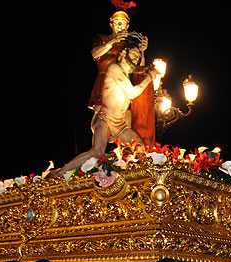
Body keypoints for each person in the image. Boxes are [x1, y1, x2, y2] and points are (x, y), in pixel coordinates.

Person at [51, 40, 157, 177]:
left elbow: (138, 70)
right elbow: (132, 93)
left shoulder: (125, 75)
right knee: (97, 152)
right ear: (123, 54)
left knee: (139, 148)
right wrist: (150, 77)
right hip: (105, 119)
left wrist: (146, 65)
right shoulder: (114, 68)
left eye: (138, 56)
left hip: (120, 125)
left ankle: (121, 174)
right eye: (134, 54)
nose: (136, 58)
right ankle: (60, 173)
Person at [88, 4, 155, 147]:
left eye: (124, 24)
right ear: (111, 24)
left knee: (126, 122)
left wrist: (142, 51)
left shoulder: (130, 45)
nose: (121, 26)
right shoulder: (102, 38)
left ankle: (123, 160)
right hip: (105, 85)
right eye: (118, 23)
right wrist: (113, 42)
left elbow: (138, 68)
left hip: (123, 84)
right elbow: (95, 53)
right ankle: (95, 158)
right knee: (101, 123)